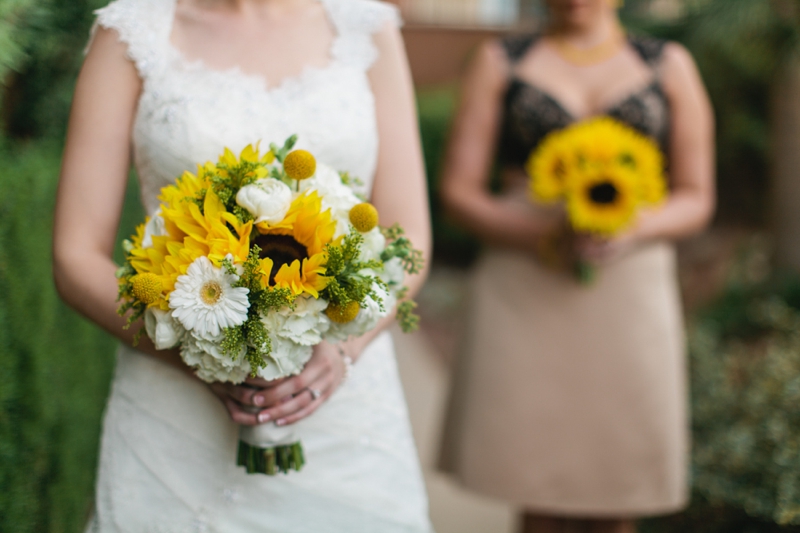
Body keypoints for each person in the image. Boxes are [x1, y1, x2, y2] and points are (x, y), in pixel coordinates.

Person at [52, 0, 433, 531]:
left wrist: (344, 349)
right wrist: (204, 356)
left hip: (346, 409)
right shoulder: (132, 31)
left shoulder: (367, 28)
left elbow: (409, 235)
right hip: (175, 412)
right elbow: (74, 256)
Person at [438, 0, 715, 531]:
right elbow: (459, 191)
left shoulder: (669, 63)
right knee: (535, 476)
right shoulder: (500, 60)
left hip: (628, 290)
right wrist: (548, 233)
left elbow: (696, 197)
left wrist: (632, 227)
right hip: (523, 285)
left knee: (619, 478)